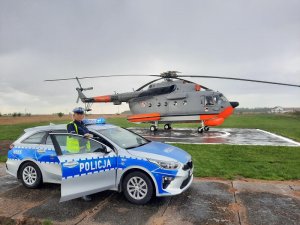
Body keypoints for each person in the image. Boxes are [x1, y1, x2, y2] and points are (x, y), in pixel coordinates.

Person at [67, 107, 93, 201]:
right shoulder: (71, 125)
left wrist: (88, 135)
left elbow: (88, 134)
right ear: (74, 115)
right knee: (80, 173)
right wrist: (84, 136)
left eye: (81, 114)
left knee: (85, 173)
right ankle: (82, 194)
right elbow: (73, 136)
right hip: (76, 152)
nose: (80, 115)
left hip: (85, 151)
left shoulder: (83, 124)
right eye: (78, 114)